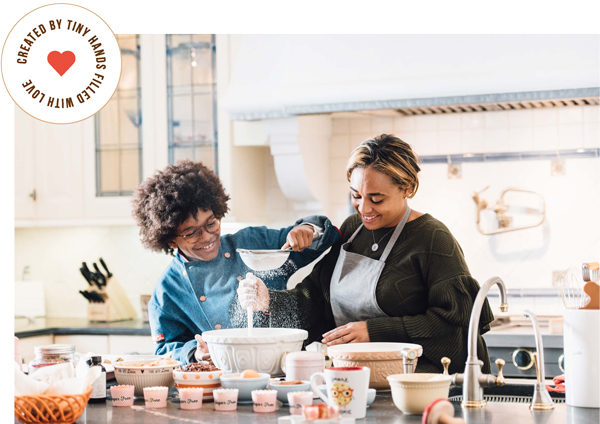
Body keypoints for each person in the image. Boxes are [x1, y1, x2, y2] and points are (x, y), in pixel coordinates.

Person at [238, 134, 495, 374]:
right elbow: (316, 298)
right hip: (361, 375)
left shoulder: (432, 238)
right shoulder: (353, 230)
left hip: (425, 379)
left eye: (377, 199)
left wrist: (374, 331)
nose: (364, 208)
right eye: (356, 196)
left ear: (407, 188)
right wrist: (269, 300)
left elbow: (454, 323)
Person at [132, 160, 340, 364]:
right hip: (225, 384)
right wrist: (195, 352)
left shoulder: (252, 243)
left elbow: (325, 236)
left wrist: (308, 230)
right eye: (191, 233)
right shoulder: (168, 291)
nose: (206, 237)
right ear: (170, 239)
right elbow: (164, 350)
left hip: (286, 372)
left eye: (211, 223)